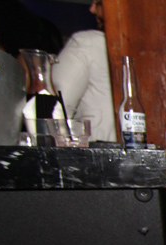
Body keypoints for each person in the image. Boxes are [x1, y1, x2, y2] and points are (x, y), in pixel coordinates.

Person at [51, 0, 117, 142]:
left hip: (94, 153)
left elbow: (53, 113)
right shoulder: (158, 55)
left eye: (99, 2)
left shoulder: (87, 44)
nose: (92, 9)